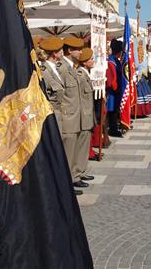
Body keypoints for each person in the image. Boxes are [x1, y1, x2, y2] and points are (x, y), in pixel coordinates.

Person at [57, 36, 86, 191]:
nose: (81, 52)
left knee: (73, 150)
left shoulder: (72, 68)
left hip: (76, 116)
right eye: (78, 49)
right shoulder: (61, 69)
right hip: (68, 116)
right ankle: (67, 184)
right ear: (69, 50)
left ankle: (74, 177)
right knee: (68, 153)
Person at [76, 48, 96, 185]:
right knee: (80, 146)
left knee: (84, 147)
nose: (93, 61)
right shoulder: (80, 75)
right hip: (83, 116)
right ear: (84, 62)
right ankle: (77, 174)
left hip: (87, 115)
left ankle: (81, 171)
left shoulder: (85, 74)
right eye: (91, 59)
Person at [38, 37, 65, 135]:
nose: (63, 52)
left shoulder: (55, 68)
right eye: (61, 49)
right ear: (55, 53)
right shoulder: (44, 71)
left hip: (60, 115)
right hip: (52, 116)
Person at [106, 39, 123, 137]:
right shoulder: (112, 61)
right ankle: (113, 128)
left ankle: (115, 125)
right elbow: (112, 78)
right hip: (113, 91)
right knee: (112, 110)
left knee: (115, 109)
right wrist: (116, 87)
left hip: (116, 89)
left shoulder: (115, 60)